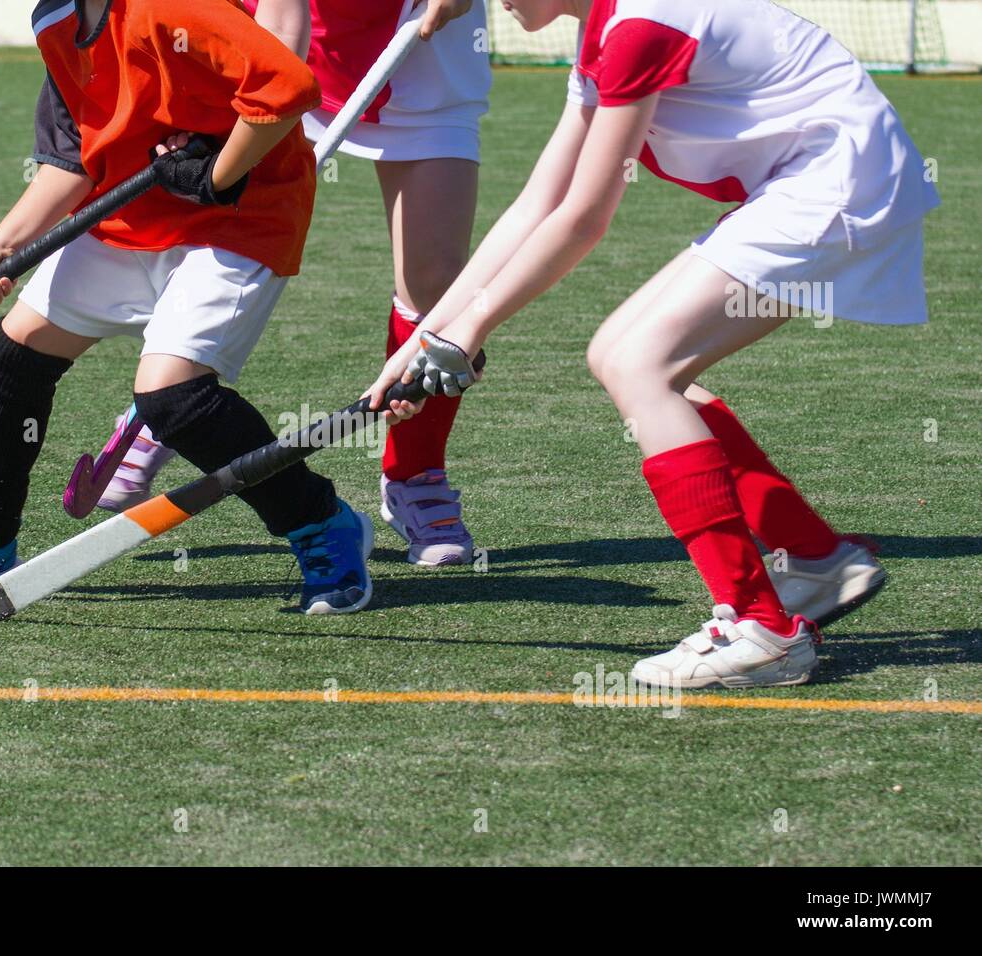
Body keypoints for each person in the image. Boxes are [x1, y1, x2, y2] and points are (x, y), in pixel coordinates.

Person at [368, 0, 938, 687]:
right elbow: (538, 202)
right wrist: (432, 334)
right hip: (815, 179)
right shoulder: (604, 31)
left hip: (834, 183)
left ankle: (760, 626)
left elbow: (582, 219)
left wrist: (469, 335)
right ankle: (812, 558)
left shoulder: (640, 27)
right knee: (618, 355)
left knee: (643, 366)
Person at [0, 0, 408, 615]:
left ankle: (321, 524)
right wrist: (4, 242)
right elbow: (74, 156)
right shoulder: (56, 22)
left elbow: (287, 84)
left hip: (241, 219)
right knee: (18, 352)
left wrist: (218, 176)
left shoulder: (168, 6)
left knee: (173, 397)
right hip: (133, 215)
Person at [91, 0, 492, 567]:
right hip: (273, 36)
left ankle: (414, 475)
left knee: (435, 286)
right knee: (222, 226)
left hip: (421, 47)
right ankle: (169, 409)